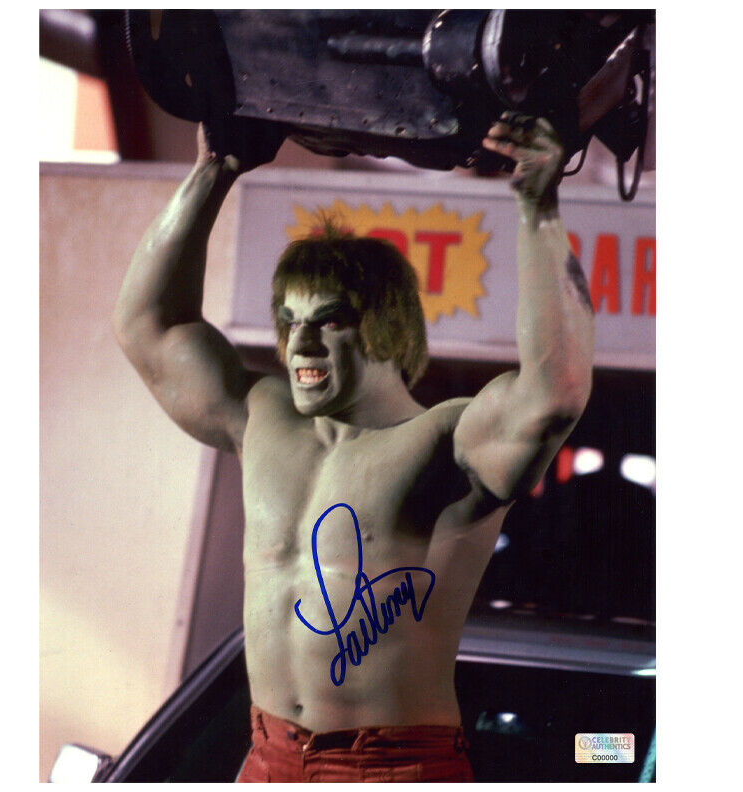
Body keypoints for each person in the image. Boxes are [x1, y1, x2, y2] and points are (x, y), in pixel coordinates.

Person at [113, 112, 595, 782]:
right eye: (289, 322)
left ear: (385, 326)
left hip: (391, 765)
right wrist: (214, 170)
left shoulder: (444, 442)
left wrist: (538, 209)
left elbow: (556, 393)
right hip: (268, 755)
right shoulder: (263, 419)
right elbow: (147, 325)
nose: (300, 344)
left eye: (328, 321)